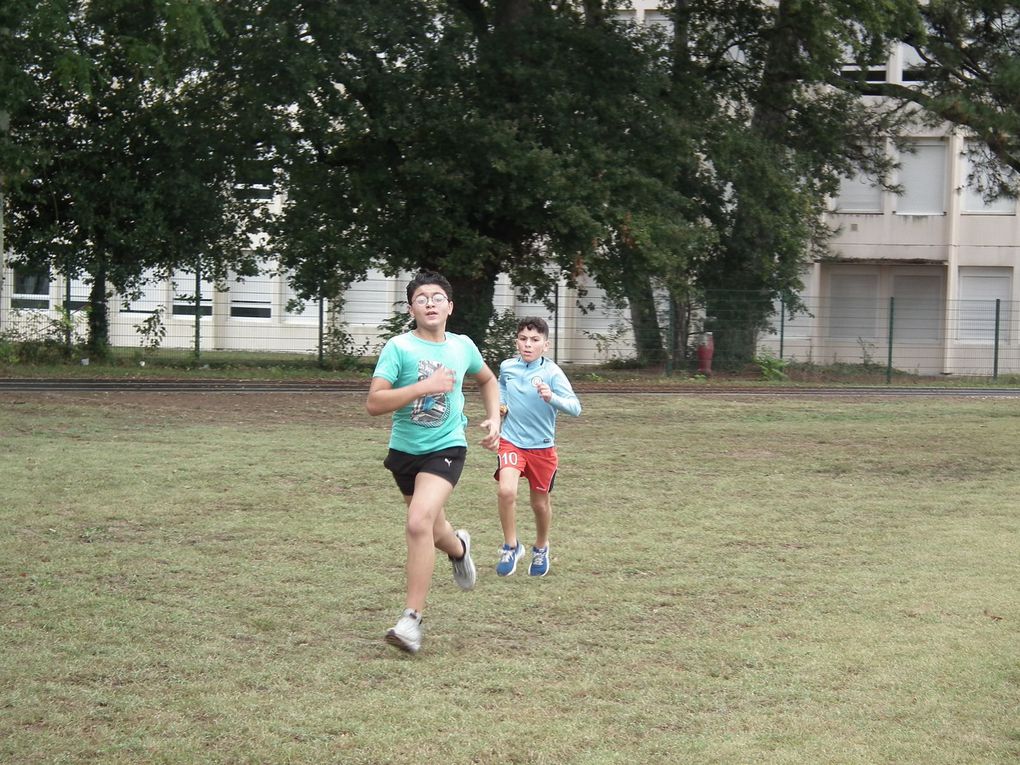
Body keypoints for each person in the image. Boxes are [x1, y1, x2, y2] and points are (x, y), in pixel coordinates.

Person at [366, 270, 501, 654]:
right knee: (435, 530)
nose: (430, 302)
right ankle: (459, 549)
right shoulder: (399, 348)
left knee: (417, 522)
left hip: (447, 446)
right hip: (405, 452)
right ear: (411, 308)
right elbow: (374, 404)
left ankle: (411, 621)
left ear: (450, 307)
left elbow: (488, 380)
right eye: (421, 297)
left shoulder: (462, 347)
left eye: (437, 296)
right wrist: (423, 387)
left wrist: (495, 417)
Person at [494, 317, 581, 578]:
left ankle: (541, 547)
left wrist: (551, 398)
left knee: (539, 504)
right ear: (516, 342)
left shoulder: (552, 373)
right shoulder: (507, 367)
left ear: (546, 345)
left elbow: (576, 408)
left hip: (542, 448)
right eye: (523, 339)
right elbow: (501, 386)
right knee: (506, 491)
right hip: (511, 441)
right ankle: (511, 546)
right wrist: (501, 404)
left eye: (534, 340)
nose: (527, 345)